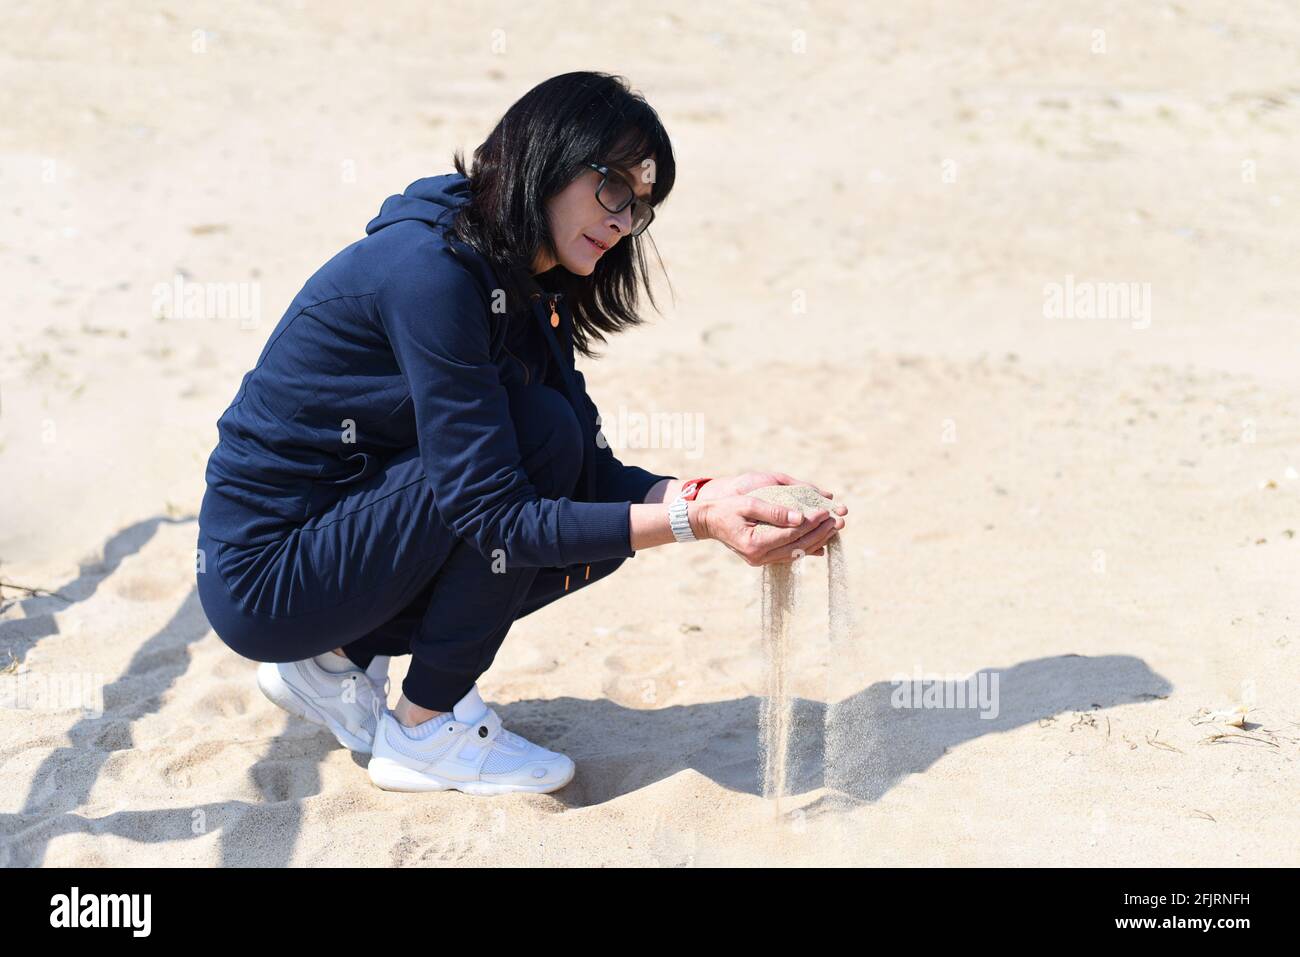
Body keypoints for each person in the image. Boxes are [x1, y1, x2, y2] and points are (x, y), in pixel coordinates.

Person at [194, 71, 847, 796]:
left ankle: (338, 657)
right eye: (613, 190)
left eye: (641, 208)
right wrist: (691, 521)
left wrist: (714, 494)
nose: (625, 221)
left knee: (564, 464)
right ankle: (422, 728)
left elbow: (592, 475)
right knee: (540, 444)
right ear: (546, 156)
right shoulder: (431, 274)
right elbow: (493, 514)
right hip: (266, 577)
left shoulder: (520, 279)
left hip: (332, 538)